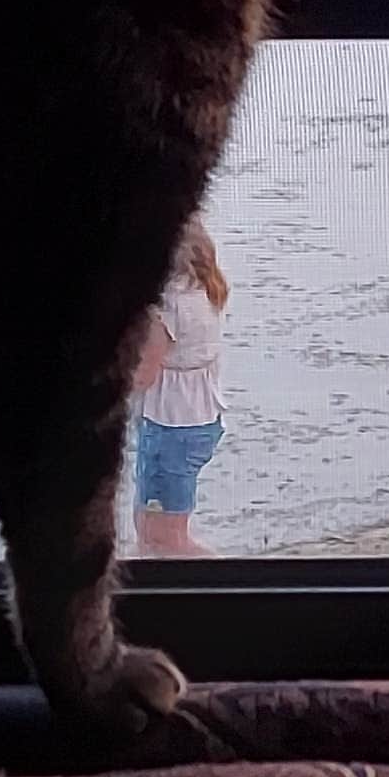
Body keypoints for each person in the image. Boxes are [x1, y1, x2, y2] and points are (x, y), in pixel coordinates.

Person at [129, 221, 229, 557]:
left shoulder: (169, 307)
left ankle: (225, 585)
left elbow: (143, 373)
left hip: (171, 428)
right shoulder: (207, 291)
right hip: (198, 421)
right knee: (152, 530)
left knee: (162, 538)